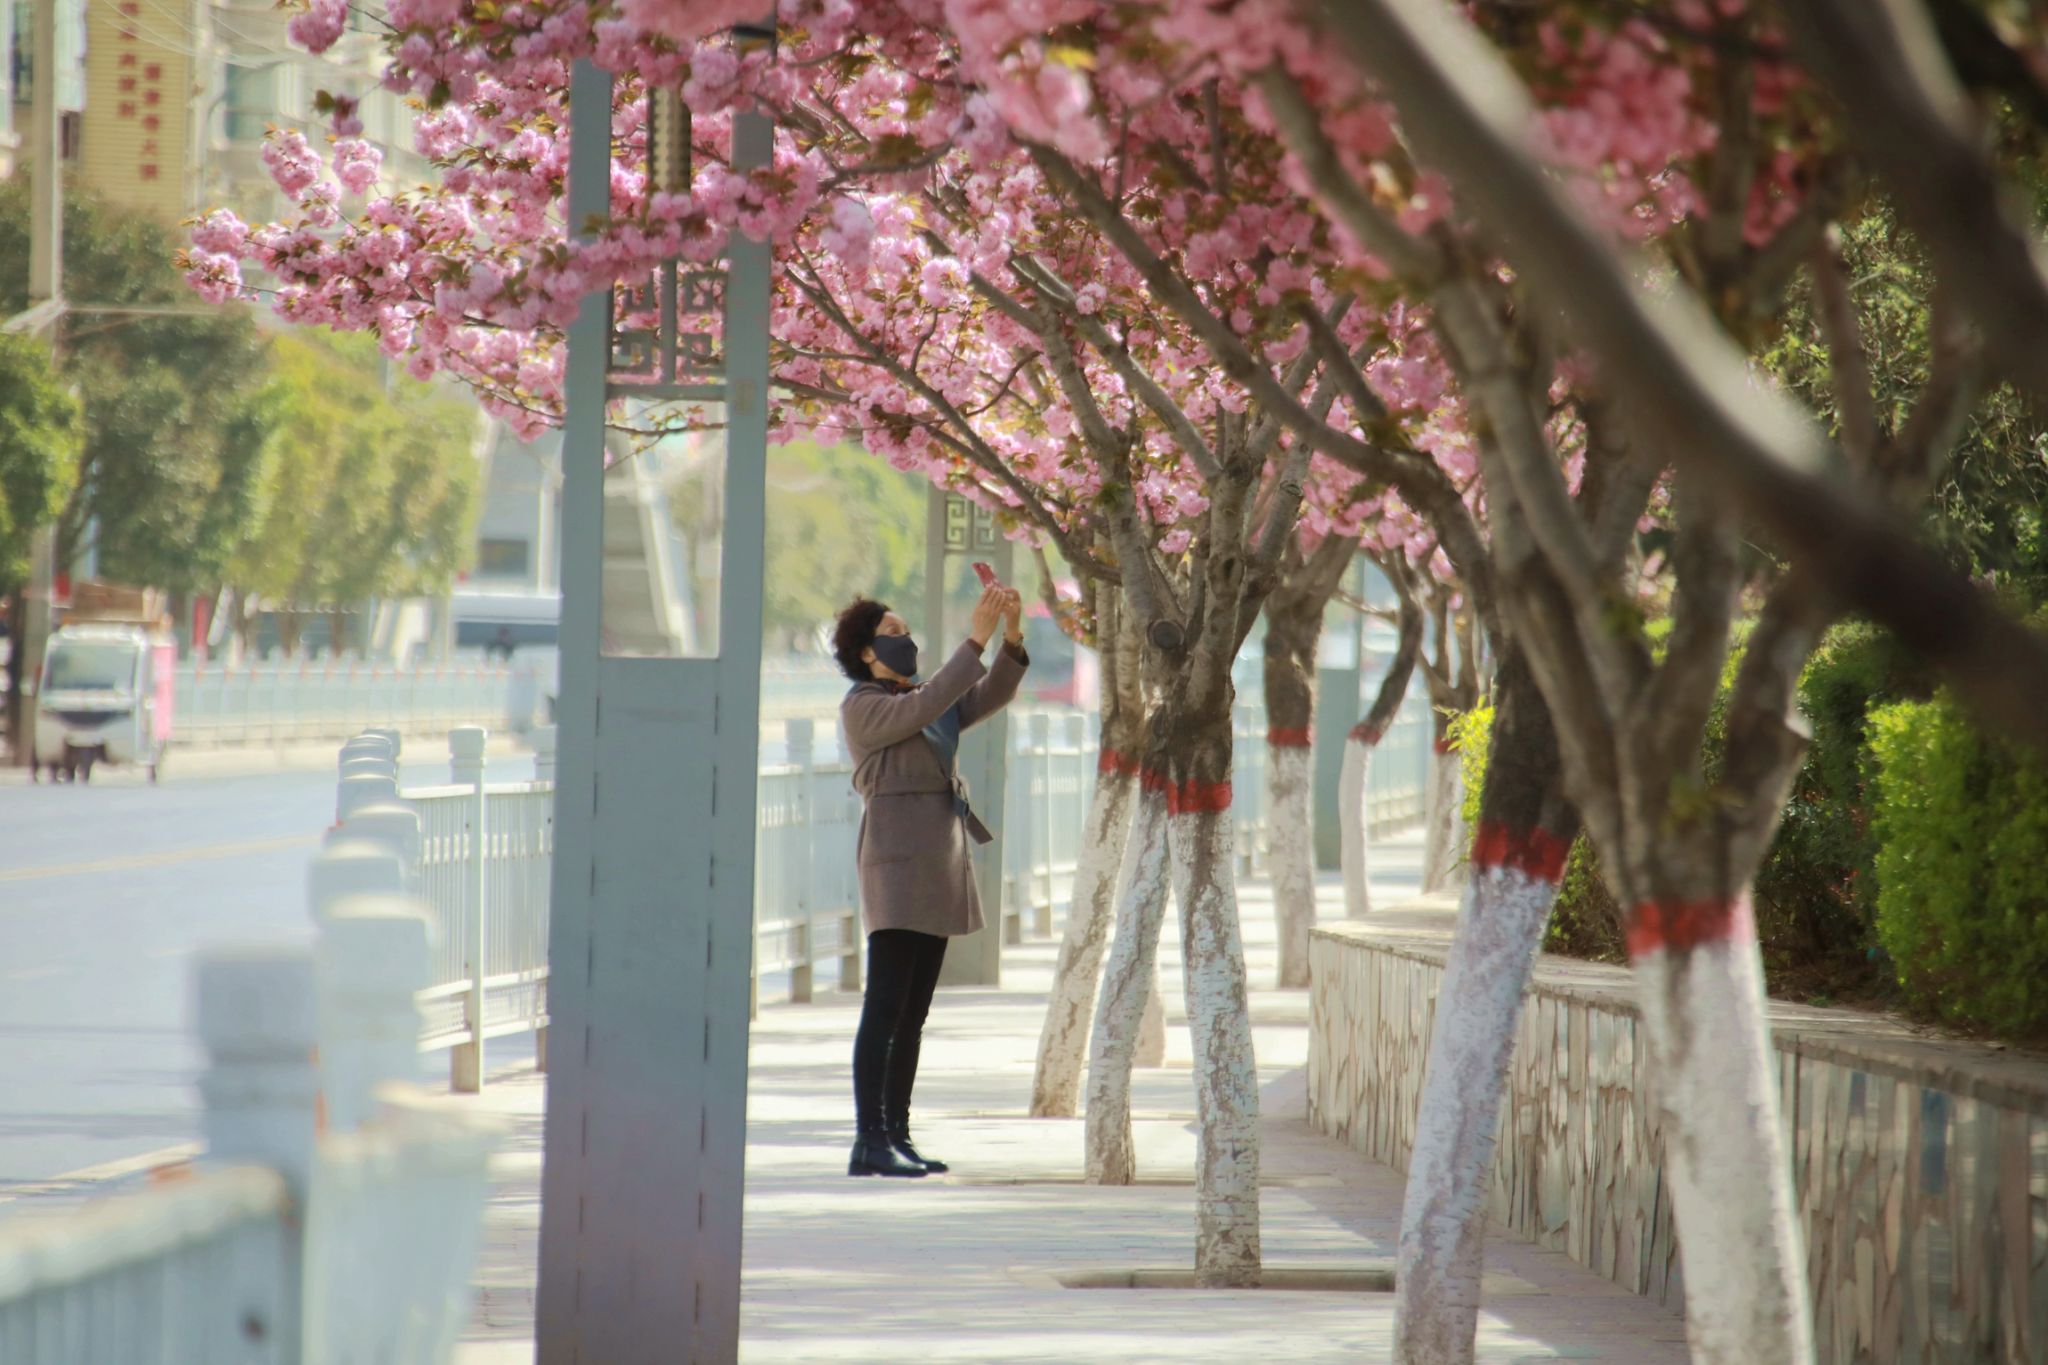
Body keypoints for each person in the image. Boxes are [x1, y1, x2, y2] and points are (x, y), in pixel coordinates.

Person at [833, 581, 1027, 1177]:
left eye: (906, 630)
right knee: (884, 1006)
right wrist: (974, 640)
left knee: (913, 1014)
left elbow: (986, 694)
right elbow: (925, 705)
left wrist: (1010, 635)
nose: (906, 640)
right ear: (865, 652)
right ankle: (869, 1139)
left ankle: (898, 1133)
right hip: (896, 866)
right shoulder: (864, 706)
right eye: (892, 633)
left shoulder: (920, 700)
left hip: (938, 861)